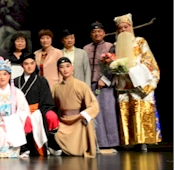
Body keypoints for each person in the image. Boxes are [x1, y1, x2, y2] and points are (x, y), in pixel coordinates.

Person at [112, 13, 161, 151]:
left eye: (125, 27)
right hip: (123, 84)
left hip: (139, 81)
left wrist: (133, 69)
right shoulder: (116, 46)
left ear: (131, 27)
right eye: (120, 28)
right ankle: (129, 140)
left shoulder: (140, 42)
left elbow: (148, 60)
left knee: (140, 109)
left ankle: (143, 141)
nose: (123, 30)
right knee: (126, 111)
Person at [49, 57, 100, 157]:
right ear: (58, 70)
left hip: (78, 121)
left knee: (87, 125)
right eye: (62, 67)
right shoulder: (55, 88)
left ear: (72, 68)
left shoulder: (81, 85)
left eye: (67, 66)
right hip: (63, 122)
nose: (65, 69)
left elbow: (93, 104)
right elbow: (51, 105)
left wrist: (84, 114)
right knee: (56, 134)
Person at [83, 21, 120, 150]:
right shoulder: (86, 49)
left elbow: (113, 66)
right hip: (90, 85)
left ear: (104, 33)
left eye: (99, 31)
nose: (97, 34)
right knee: (95, 114)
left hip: (106, 85)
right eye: (94, 32)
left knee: (108, 112)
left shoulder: (110, 46)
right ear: (90, 34)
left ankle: (112, 142)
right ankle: (99, 142)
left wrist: (104, 80)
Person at [13, 53, 59, 156]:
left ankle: (50, 143)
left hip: (38, 109)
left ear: (35, 64)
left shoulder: (41, 80)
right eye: (26, 64)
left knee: (51, 116)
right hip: (21, 110)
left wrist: (38, 111)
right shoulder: (15, 81)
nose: (29, 66)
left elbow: (46, 100)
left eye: (32, 63)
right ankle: (24, 147)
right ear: (21, 65)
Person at [0, 57, 31, 158]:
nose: (2, 77)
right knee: (1, 133)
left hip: (13, 123)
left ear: (9, 75)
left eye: (5, 74)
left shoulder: (17, 92)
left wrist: (10, 120)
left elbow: (23, 110)